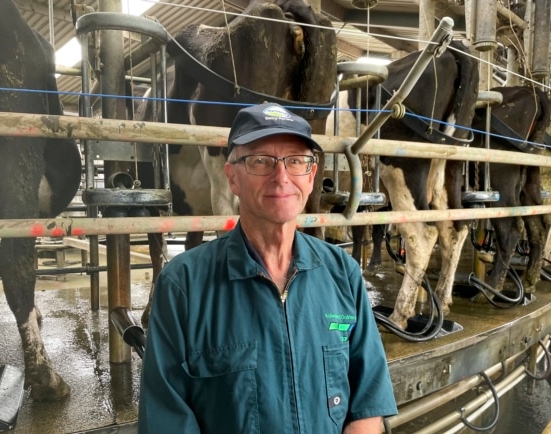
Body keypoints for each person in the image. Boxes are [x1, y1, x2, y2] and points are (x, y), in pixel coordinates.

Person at [138, 103, 397, 433]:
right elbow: (167, 422)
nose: (282, 177)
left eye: (296, 161)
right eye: (261, 161)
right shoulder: (183, 285)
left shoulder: (342, 273)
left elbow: (368, 403)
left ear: (311, 175)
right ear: (231, 176)